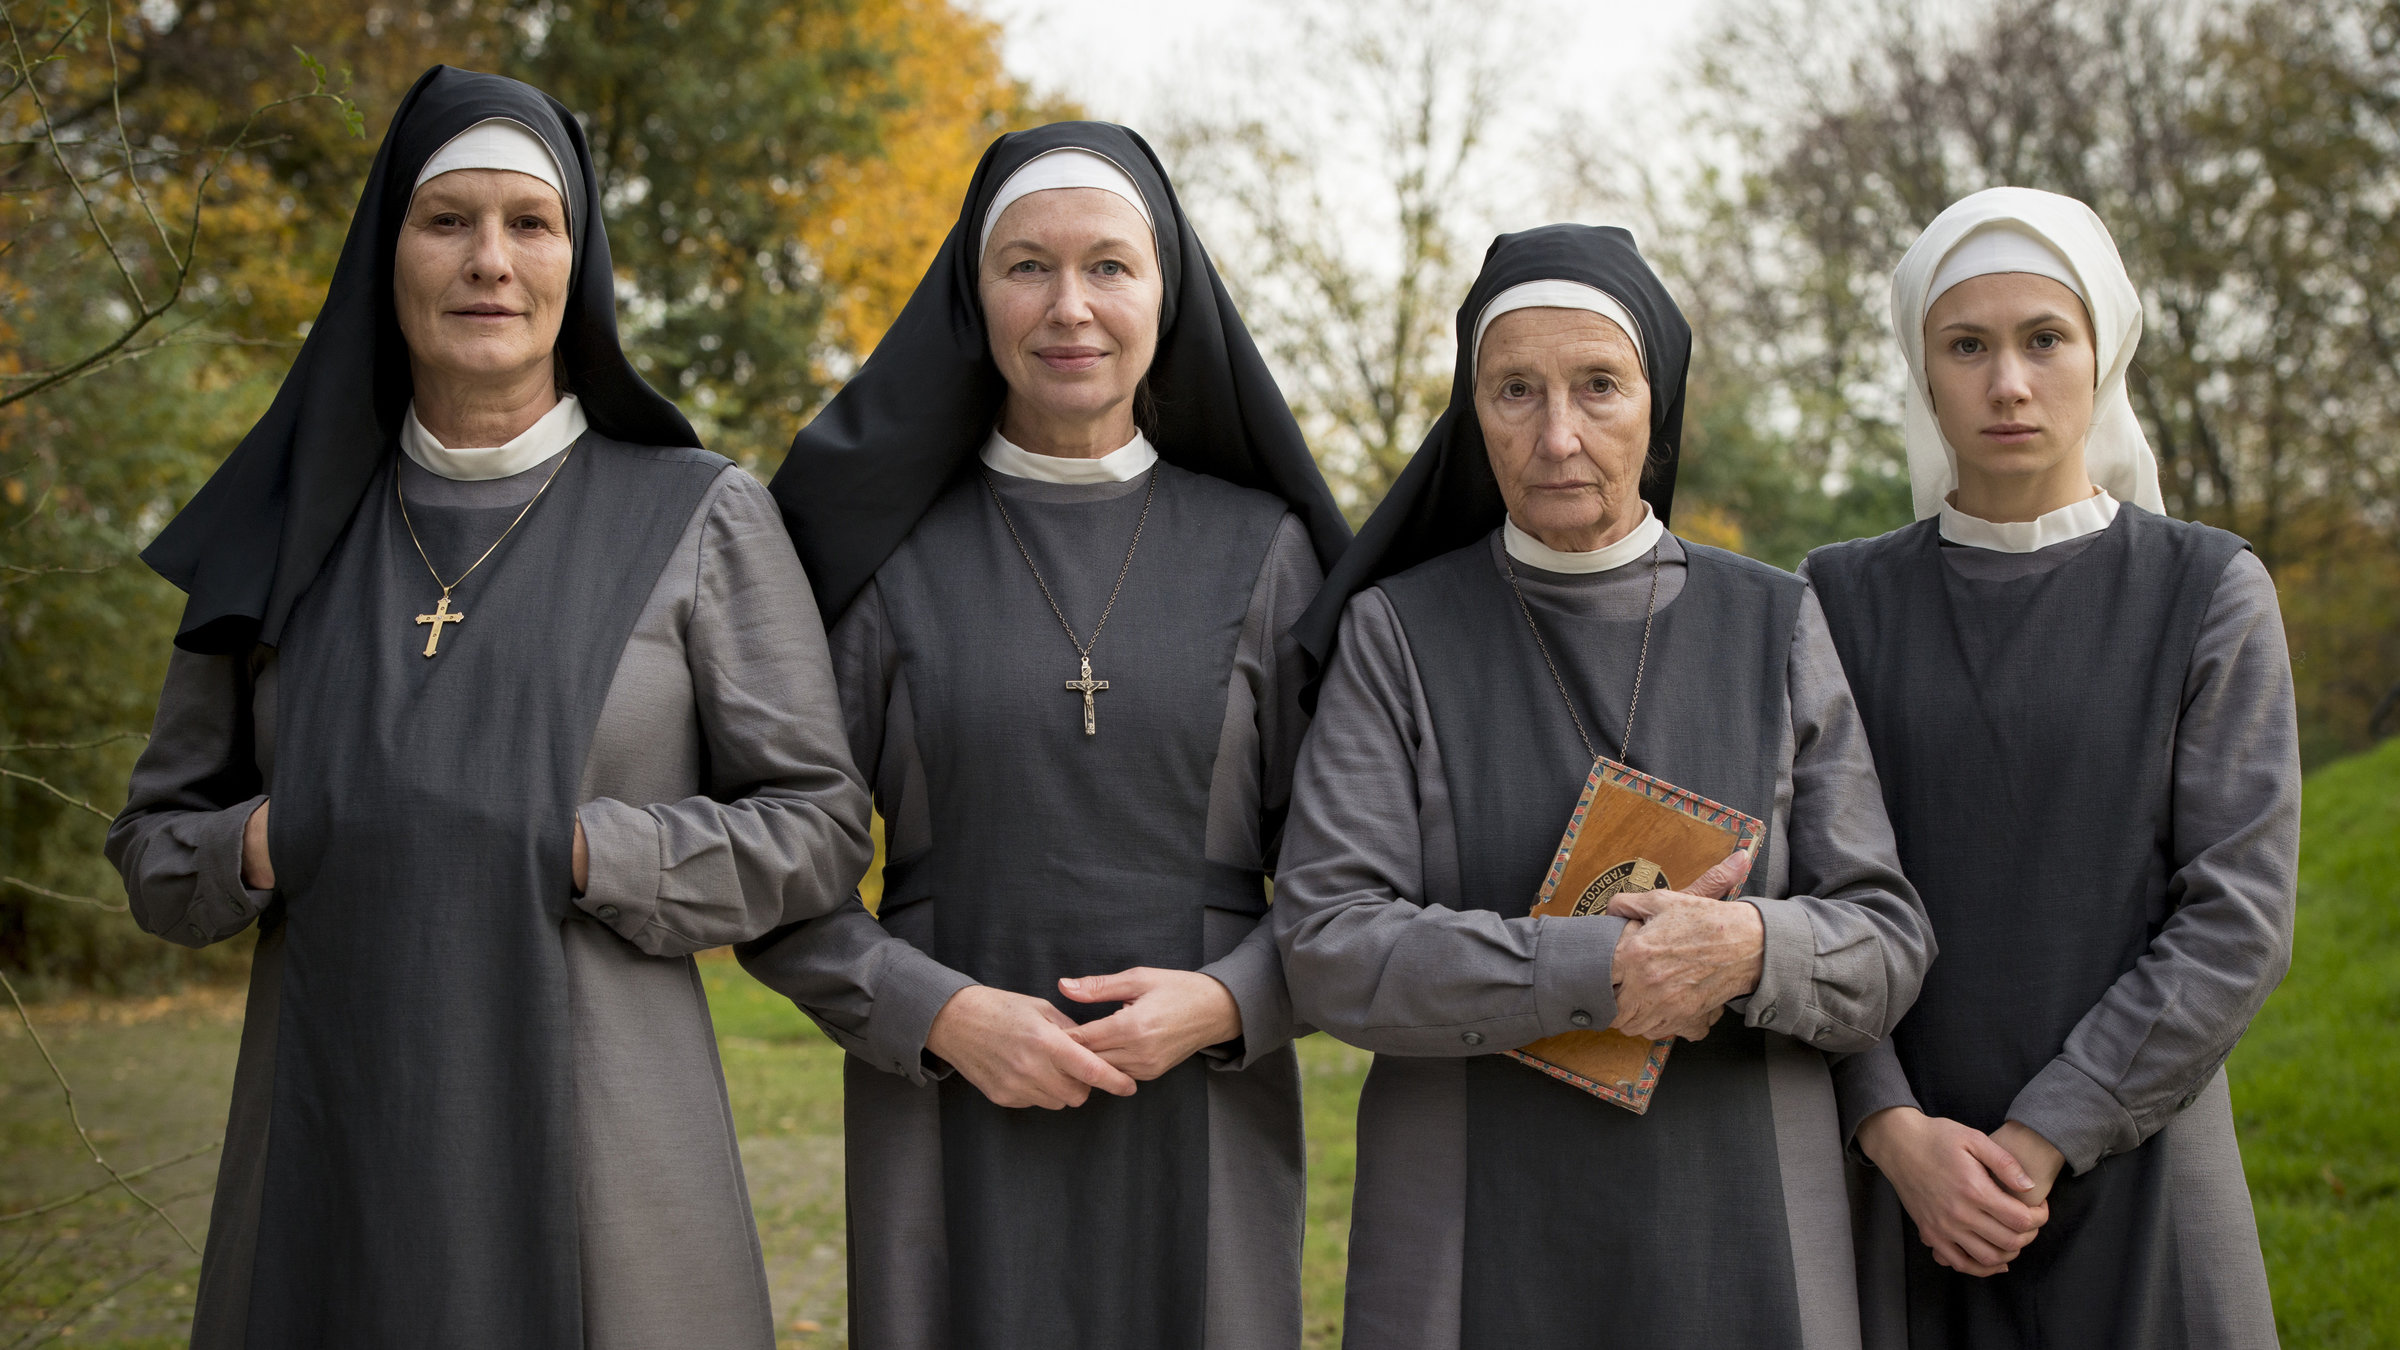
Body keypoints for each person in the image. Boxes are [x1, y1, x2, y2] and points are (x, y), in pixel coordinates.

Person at [108, 66, 873, 1349]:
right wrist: (268, 842)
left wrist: (586, 846)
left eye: (531, 222)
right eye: (446, 220)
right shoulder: (287, 526)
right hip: (331, 1139)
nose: (489, 262)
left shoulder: (695, 513)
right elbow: (151, 844)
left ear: (579, 259)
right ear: (387, 255)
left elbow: (819, 826)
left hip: (608, 1155)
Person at [737, 122, 1350, 1350]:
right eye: (1026, 265)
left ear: (1167, 296)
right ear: (974, 296)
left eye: (1110, 267)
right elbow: (775, 864)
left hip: (1205, 1115)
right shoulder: (882, 551)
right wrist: (938, 1014)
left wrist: (1227, 1004)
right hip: (946, 1111)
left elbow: (1357, 879)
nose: (1070, 306)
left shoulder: (1266, 550)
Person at [1272, 223, 1934, 1348]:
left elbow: (1886, 939)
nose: (1558, 435)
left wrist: (1750, 951)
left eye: (1599, 386)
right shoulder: (1397, 633)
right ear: (1470, 410)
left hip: (1745, 1212)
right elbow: (1330, 944)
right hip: (1468, 1221)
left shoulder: (1774, 620)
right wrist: (1600, 965)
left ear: (1657, 402)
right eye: (1514, 390)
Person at [1805, 186, 2295, 1348]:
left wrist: (2041, 1140)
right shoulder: (1834, 599)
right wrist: (1890, 1126)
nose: (2008, 384)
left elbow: (2237, 917)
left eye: (2043, 340)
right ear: (1922, 368)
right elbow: (1808, 890)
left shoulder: (2208, 589)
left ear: (2103, 349)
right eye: (1966, 346)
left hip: (2143, 1166)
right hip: (1903, 1186)